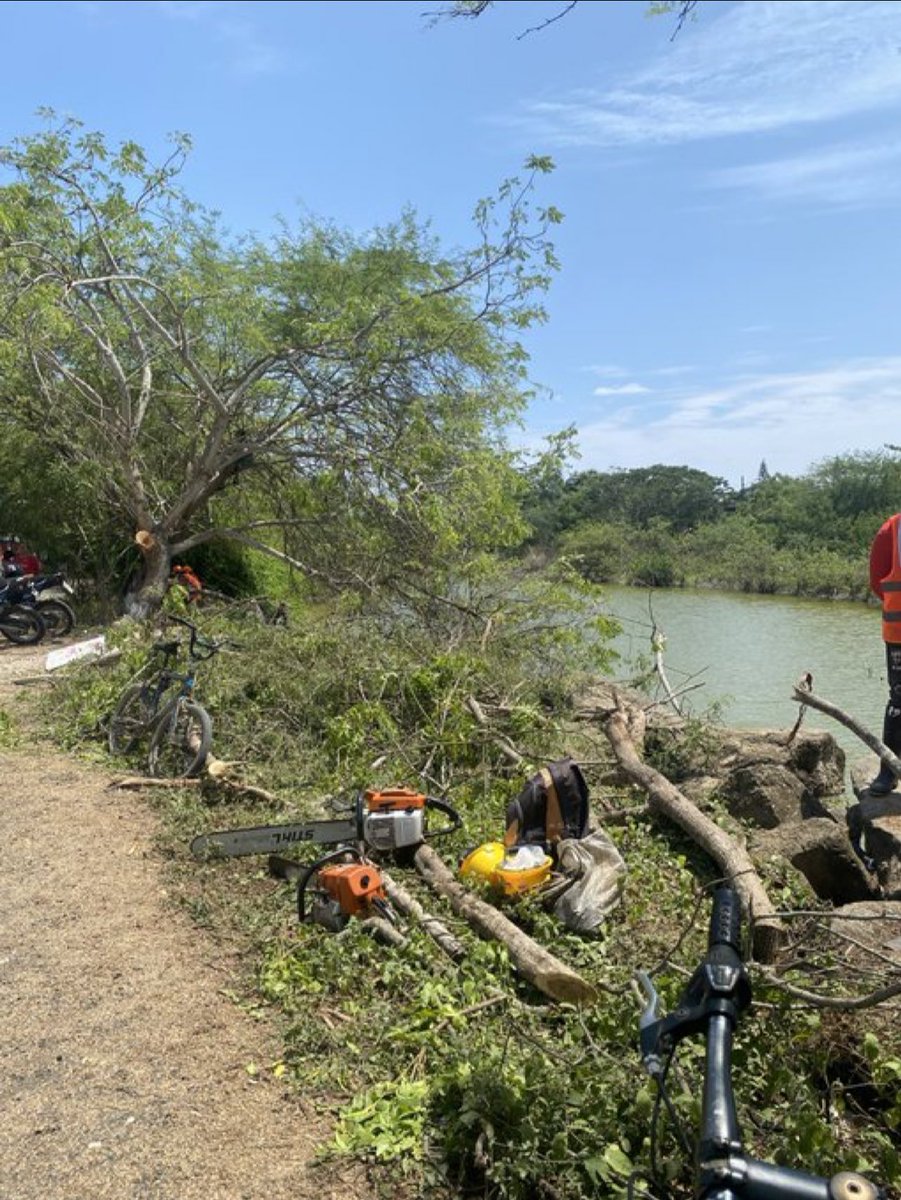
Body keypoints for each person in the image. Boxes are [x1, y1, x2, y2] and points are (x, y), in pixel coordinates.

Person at [868, 513, 901, 793]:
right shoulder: (891, 530)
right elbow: (879, 583)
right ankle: (888, 771)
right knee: (899, 701)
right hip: (899, 635)